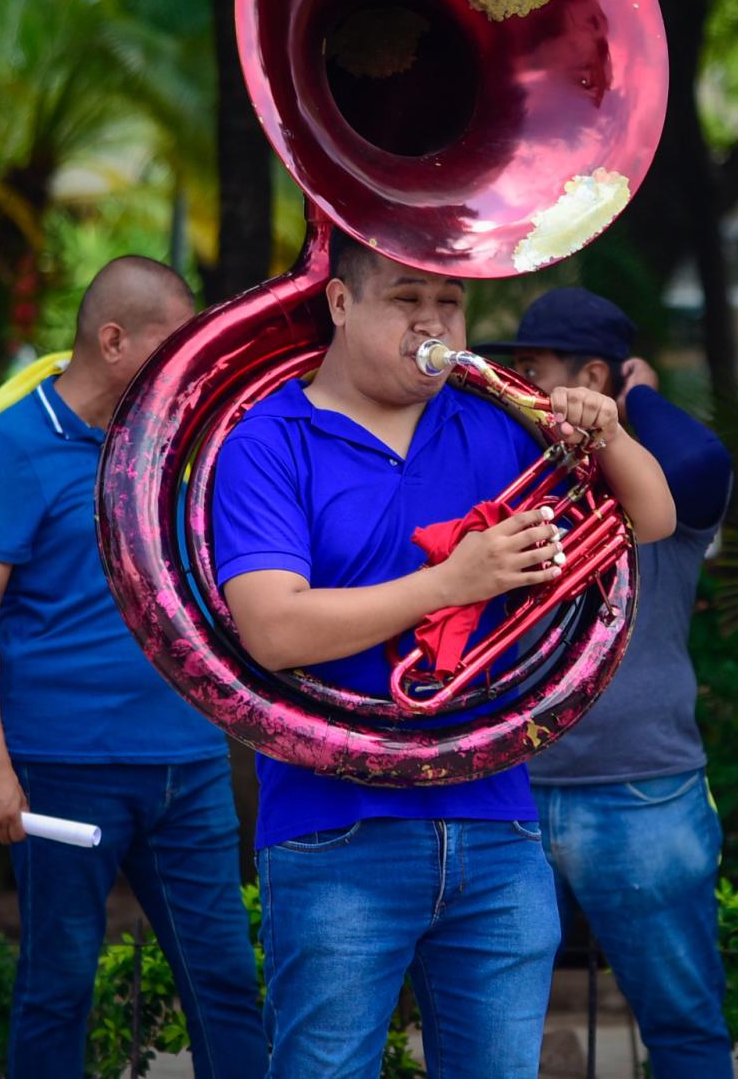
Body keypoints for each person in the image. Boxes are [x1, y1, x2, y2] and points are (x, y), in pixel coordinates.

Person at [210, 234, 676, 1079]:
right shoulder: (269, 439)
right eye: (405, 298)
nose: (432, 321)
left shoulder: (497, 418)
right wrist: (449, 582)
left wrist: (606, 433)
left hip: (496, 821)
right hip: (334, 827)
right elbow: (273, 629)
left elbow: (651, 516)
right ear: (342, 303)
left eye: (449, 302)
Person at [0, 256, 265, 1079]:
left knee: (226, 980)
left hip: (188, 765)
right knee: (57, 987)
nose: (188, 365)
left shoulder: (174, 443)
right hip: (62, 767)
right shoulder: (14, 446)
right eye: (173, 345)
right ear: (114, 339)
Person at [478, 287, 736, 1079]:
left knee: (683, 1025)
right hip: (509, 786)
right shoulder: (512, 464)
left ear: (594, 373)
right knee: (485, 1027)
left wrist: (637, 394)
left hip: (640, 793)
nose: (519, 379)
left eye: (536, 366)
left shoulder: (668, 473)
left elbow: (702, 460)